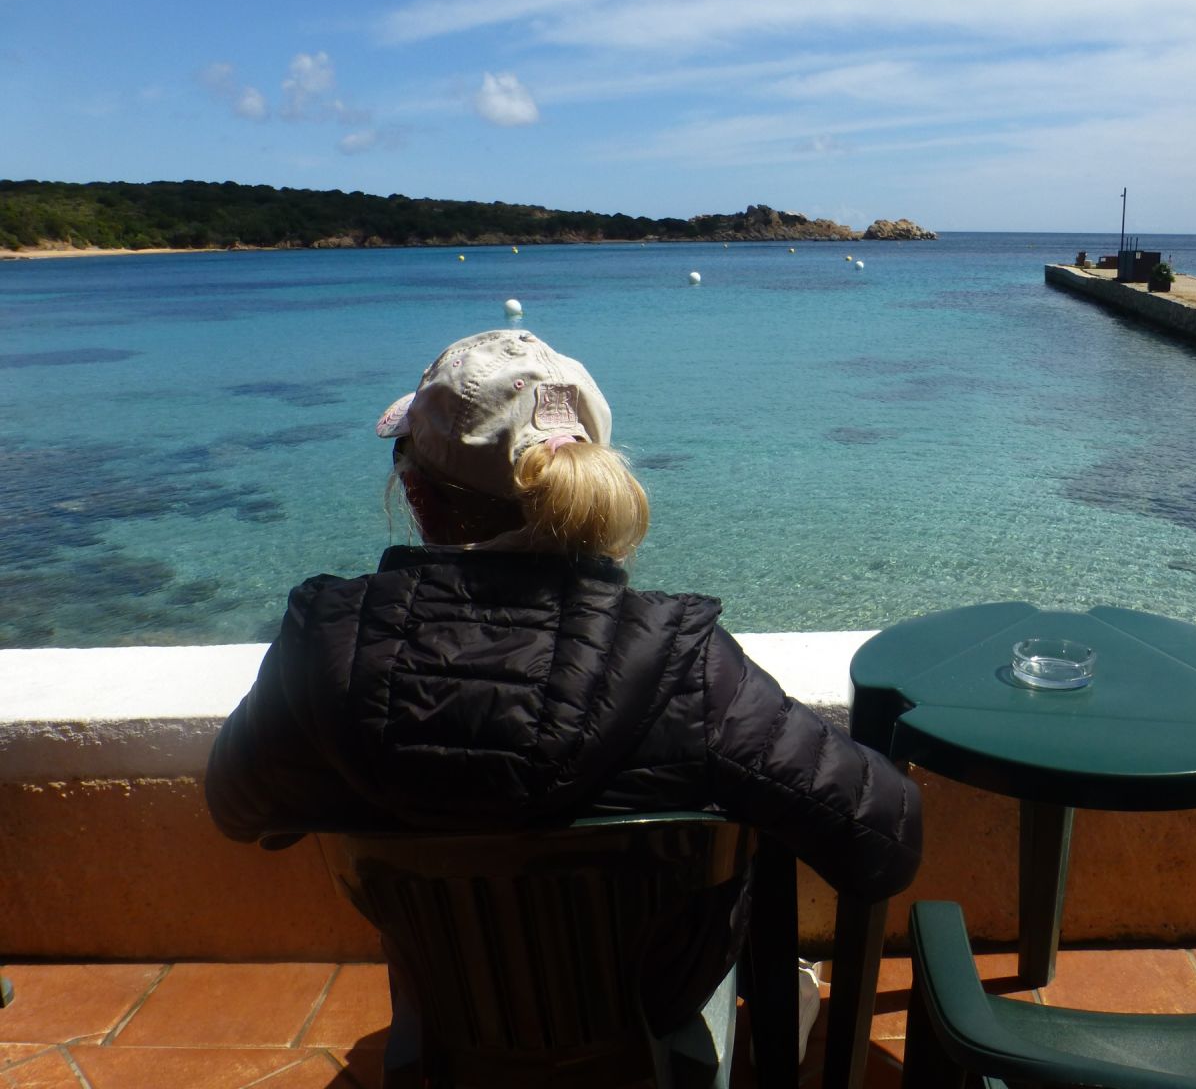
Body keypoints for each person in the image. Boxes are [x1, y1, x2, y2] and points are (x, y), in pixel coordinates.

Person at [205, 328, 922, 1080]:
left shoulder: (324, 651)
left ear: (415, 491)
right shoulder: (685, 665)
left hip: (452, 1008)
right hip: (647, 1023)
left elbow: (235, 806)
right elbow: (885, 842)